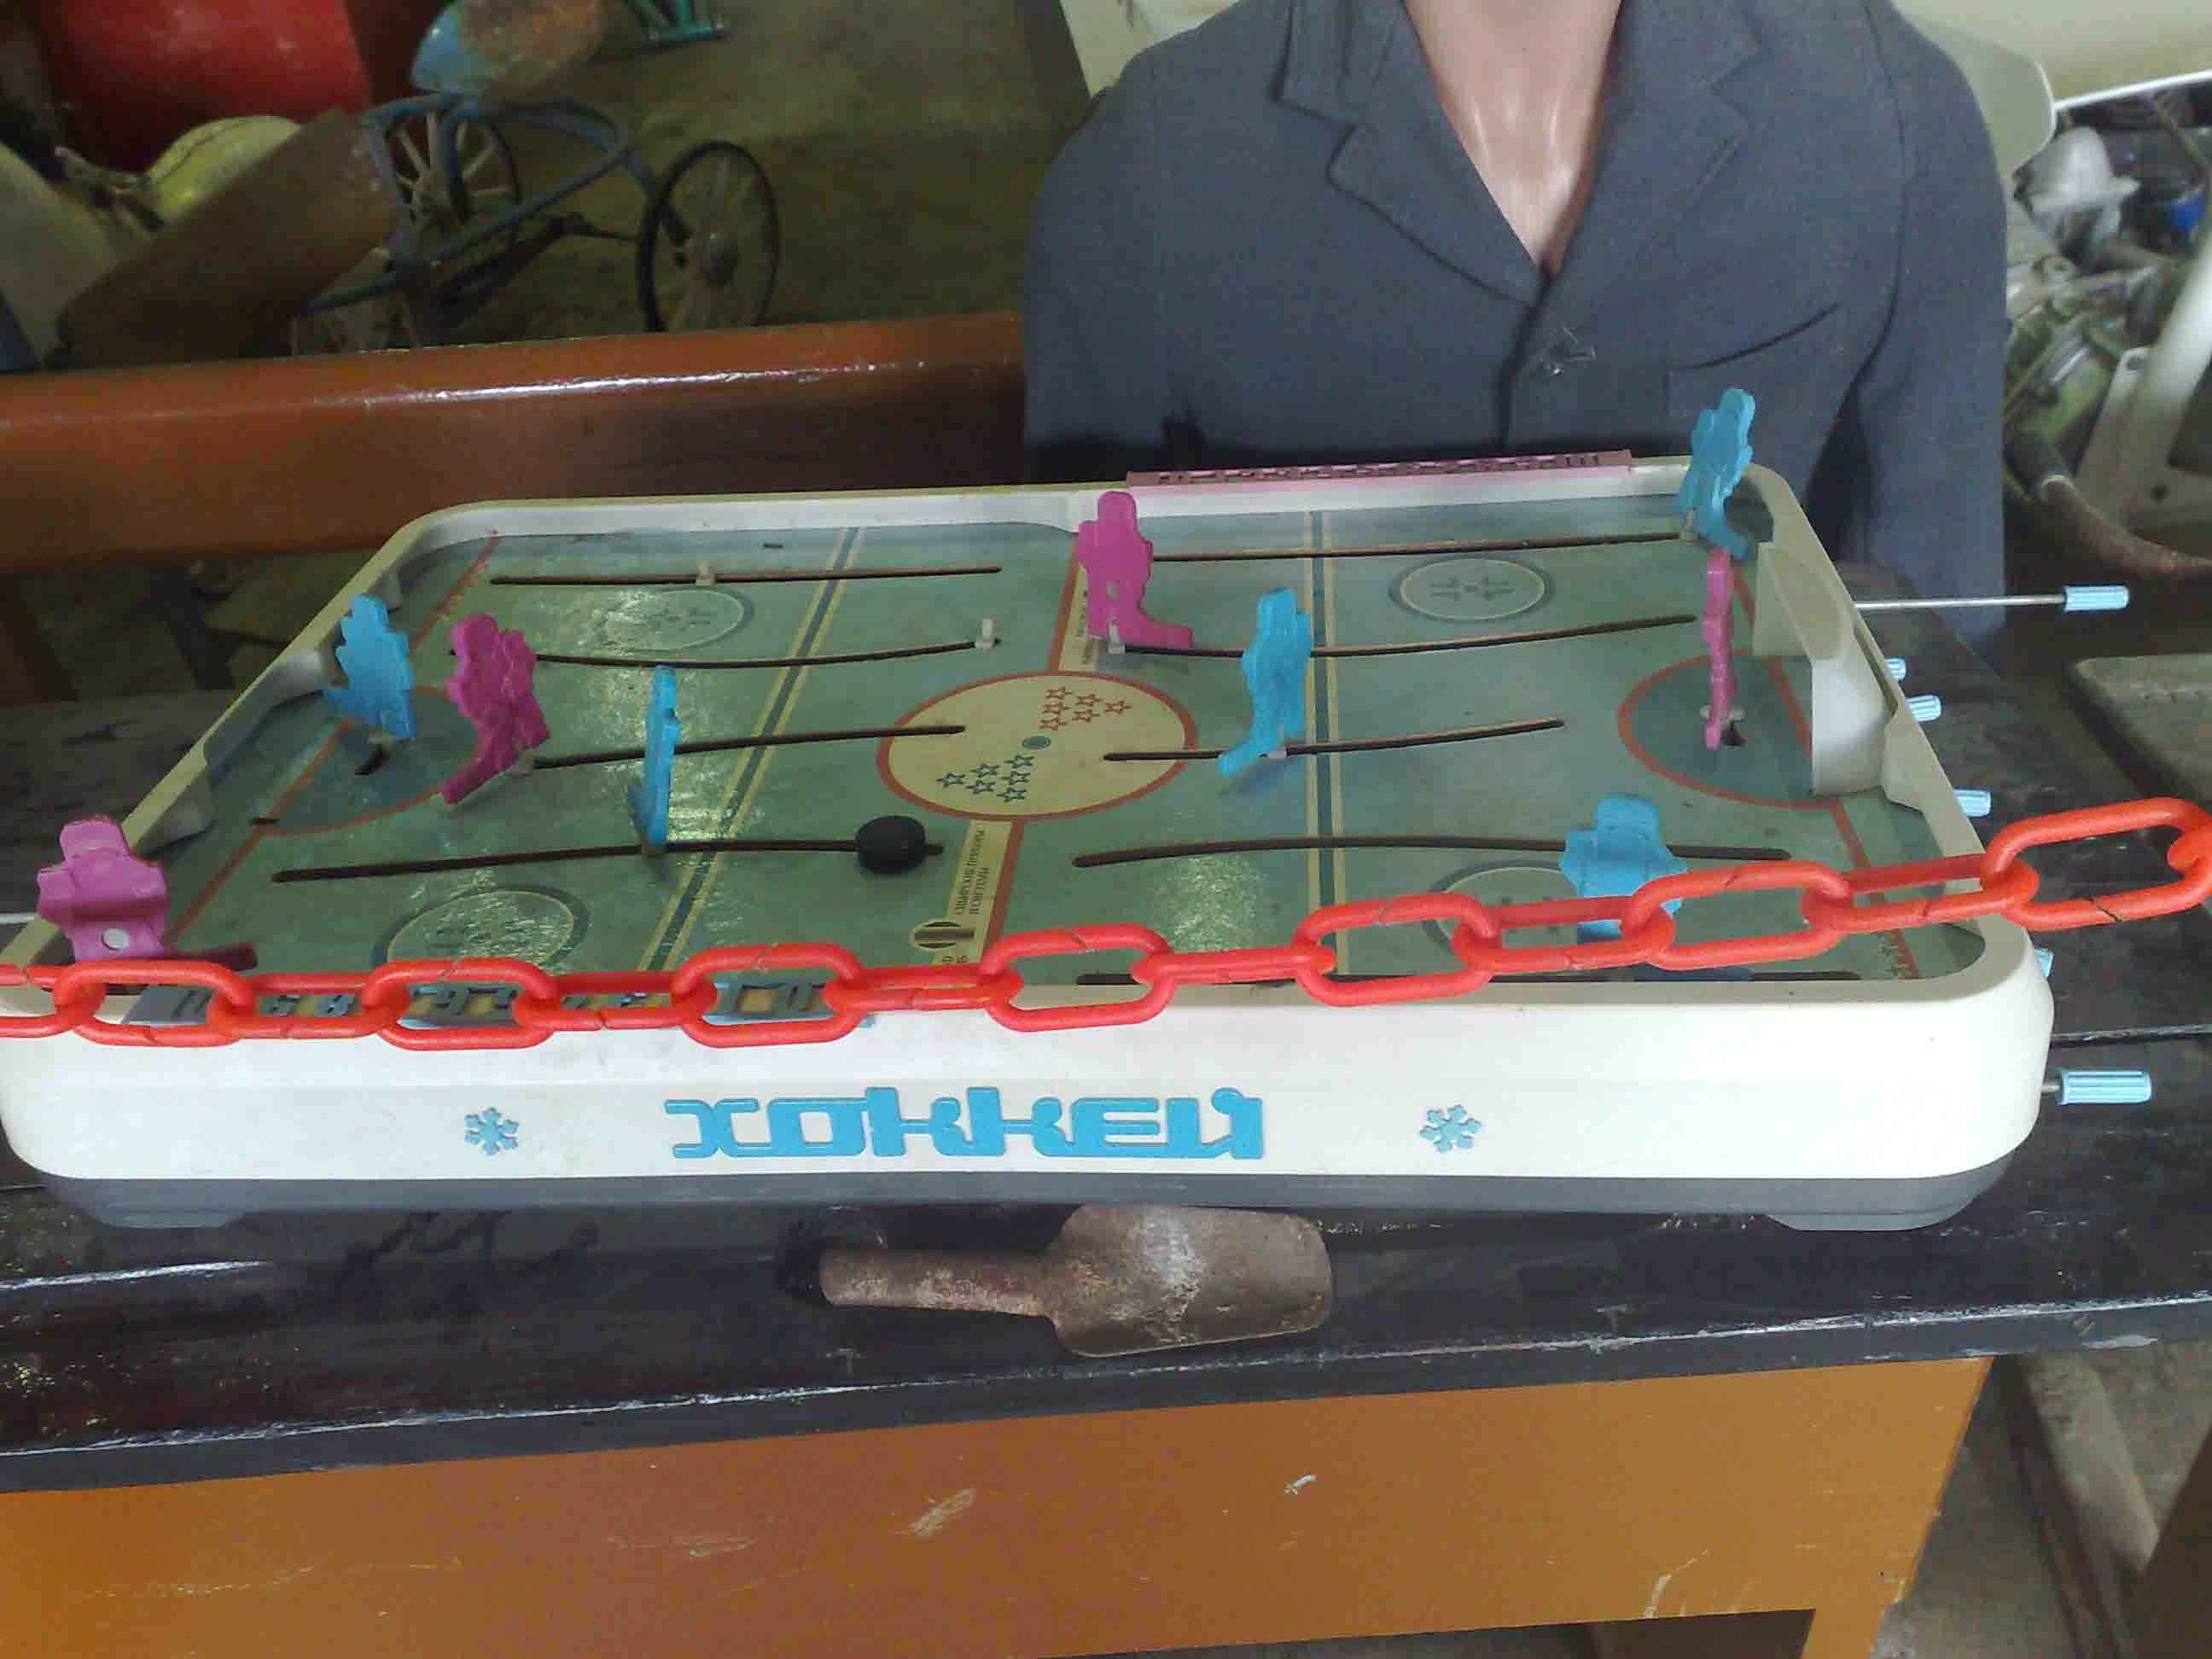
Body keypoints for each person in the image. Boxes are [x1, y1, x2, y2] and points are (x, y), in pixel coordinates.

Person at [1023, 0, 2010, 632]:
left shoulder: (1894, 126)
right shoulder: (1145, 173)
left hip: (1759, 857)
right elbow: (1093, 636)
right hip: (1313, 842)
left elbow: (1940, 620)